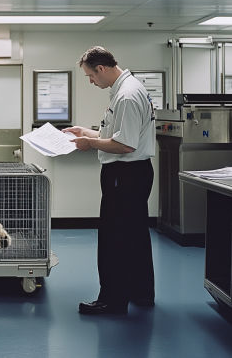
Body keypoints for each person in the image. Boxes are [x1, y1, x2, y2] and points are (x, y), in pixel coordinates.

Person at [63, 46, 156, 315]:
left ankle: (112, 301)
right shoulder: (129, 89)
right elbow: (119, 134)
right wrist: (85, 132)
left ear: (101, 69)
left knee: (115, 239)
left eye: (91, 76)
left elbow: (124, 145)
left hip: (124, 176)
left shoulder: (126, 96)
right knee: (136, 235)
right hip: (136, 173)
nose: (91, 82)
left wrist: (89, 143)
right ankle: (141, 293)